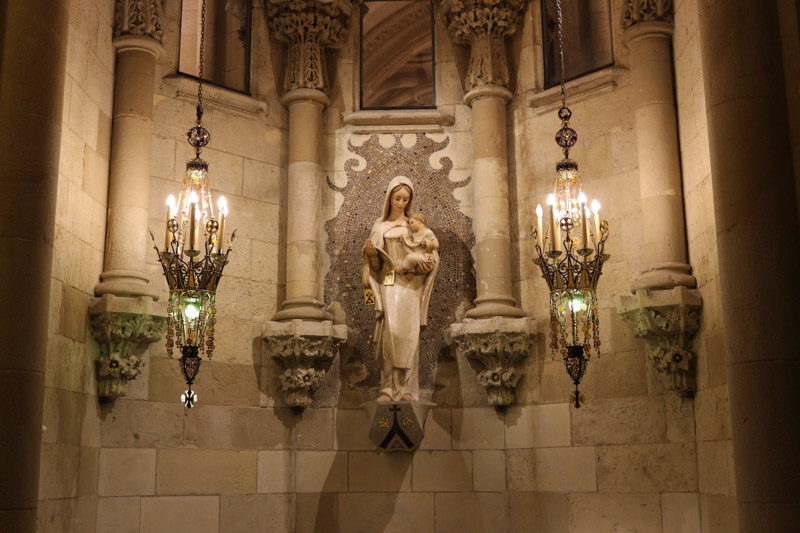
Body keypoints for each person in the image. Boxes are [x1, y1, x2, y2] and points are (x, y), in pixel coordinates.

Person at [362, 176, 439, 402]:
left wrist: (422, 262)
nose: (401, 203)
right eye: (397, 198)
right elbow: (375, 268)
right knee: (390, 334)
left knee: (408, 335)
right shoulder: (380, 227)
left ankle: (406, 389)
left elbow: (429, 254)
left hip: (411, 286)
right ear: (389, 198)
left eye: (406, 199)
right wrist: (373, 255)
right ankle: (387, 388)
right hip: (389, 282)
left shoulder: (414, 225)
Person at [399, 212, 439, 277]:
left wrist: (427, 243)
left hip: (425, 257)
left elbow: (436, 244)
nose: (411, 226)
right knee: (409, 255)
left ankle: (404, 269)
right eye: (410, 224)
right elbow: (413, 245)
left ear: (419, 221)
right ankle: (411, 271)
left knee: (410, 257)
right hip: (417, 255)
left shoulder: (427, 232)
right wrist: (404, 240)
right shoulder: (414, 234)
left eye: (412, 222)